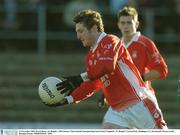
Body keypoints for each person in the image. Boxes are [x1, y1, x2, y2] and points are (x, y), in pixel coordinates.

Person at [46, 9, 168, 129]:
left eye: (81, 31)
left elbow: (107, 66)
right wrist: (68, 99)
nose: (78, 36)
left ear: (94, 28)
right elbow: (93, 84)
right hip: (117, 110)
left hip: (138, 103)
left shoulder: (111, 40)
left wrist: (80, 78)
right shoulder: (90, 56)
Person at [97, 6, 168, 107]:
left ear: (137, 24)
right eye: (123, 23)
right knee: (108, 123)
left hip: (143, 99)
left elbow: (162, 70)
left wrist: (139, 78)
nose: (126, 26)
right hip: (121, 101)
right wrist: (105, 93)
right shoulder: (114, 46)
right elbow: (111, 74)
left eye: (129, 22)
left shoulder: (145, 43)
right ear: (118, 25)